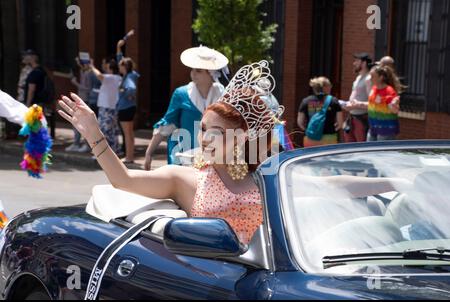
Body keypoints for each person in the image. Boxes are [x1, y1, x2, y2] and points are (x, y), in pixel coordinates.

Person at [57, 60, 410, 245]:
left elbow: (332, 185)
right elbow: (123, 179)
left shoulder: (269, 174)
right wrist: (95, 135)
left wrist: (400, 180)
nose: (205, 139)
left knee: (379, 222)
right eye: (203, 130)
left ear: (242, 138)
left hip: (275, 271)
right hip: (219, 277)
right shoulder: (186, 178)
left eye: (215, 133)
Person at [144, 46, 228, 169]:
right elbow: (167, 124)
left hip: (214, 154)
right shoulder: (181, 93)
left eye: (198, 70)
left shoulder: (223, 95)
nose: (193, 73)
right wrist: (149, 152)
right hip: (184, 153)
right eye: (192, 69)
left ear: (211, 73)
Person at [298, 77, 343, 147]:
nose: (331, 87)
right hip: (329, 138)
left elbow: (300, 123)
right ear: (325, 87)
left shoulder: (306, 101)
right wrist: (331, 130)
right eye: (329, 85)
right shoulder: (334, 101)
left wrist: (310, 130)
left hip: (310, 138)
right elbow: (340, 124)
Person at [89, 58, 122, 154]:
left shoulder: (111, 77)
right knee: (113, 131)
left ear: (111, 69)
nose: (106, 69)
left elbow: (99, 75)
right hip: (113, 107)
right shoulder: (119, 78)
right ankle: (115, 150)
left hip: (106, 107)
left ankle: (106, 153)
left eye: (107, 67)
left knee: (104, 131)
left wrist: (92, 66)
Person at [116, 39, 140, 164]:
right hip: (129, 107)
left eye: (120, 65)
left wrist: (125, 92)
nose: (118, 67)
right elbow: (120, 58)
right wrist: (118, 47)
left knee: (127, 134)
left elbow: (131, 88)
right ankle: (130, 156)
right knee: (129, 133)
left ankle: (129, 157)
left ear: (124, 67)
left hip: (125, 108)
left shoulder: (128, 77)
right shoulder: (130, 74)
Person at [365, 65, 404, 141]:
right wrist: (357, 104)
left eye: (372, 76)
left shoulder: (389, 91)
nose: (370, 78)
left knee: (381, 153)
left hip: (386, 131)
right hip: (373, 128)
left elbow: (394, 110)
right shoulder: (374, 89)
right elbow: (372, 105)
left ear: (381, 77)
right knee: (369, 151)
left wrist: (394, 105)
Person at [342, 52, 373, 143]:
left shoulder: (369, 79)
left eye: (356, 61)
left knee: (360, 149)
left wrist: (355, 106)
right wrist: (347, 105)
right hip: (351, 119)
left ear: (364, 63)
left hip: (362, 120)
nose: (354, 63)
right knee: (349, 149)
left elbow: (373, 103)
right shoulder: (358, 78)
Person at [66, 58, 93, 153]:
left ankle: (86, 145)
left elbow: (88, 88)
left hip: (86, 101)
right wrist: (78, 62)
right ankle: (76, 143)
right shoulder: (83, 72)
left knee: (85, 123)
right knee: (76, 121)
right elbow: (81, 68)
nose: (82, 65)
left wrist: (75, 83)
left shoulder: (89, 74)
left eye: (84, 64)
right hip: (81, 100)